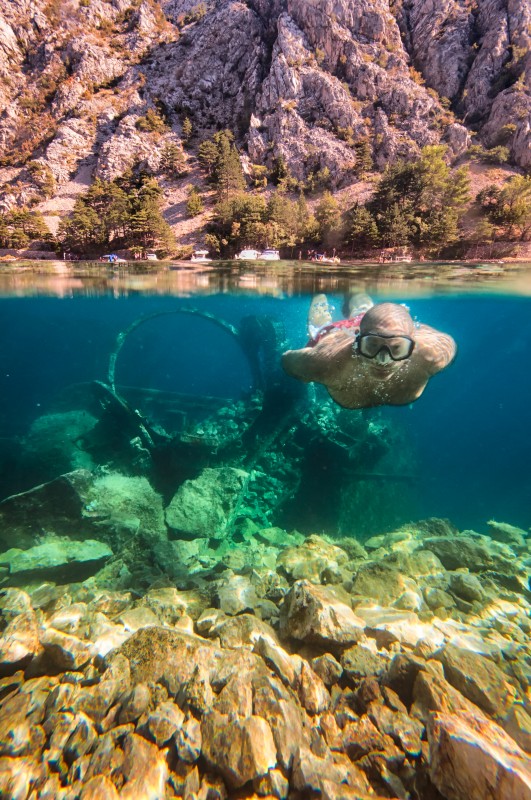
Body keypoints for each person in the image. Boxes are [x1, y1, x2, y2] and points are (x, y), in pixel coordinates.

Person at [282, 294, 456, 409]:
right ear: (357, 344)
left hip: (372, 330)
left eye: (397, 348)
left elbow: (447, 344)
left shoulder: (432, 355)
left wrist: (398, 329)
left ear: (413, 347)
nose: (383, 360)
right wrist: (306, 372)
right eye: (372, 346)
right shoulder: (325, 362)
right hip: (337, 334)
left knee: (364, 312)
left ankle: (356, 293)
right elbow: (287, 360)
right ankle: (319, 296)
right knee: (319, 329)